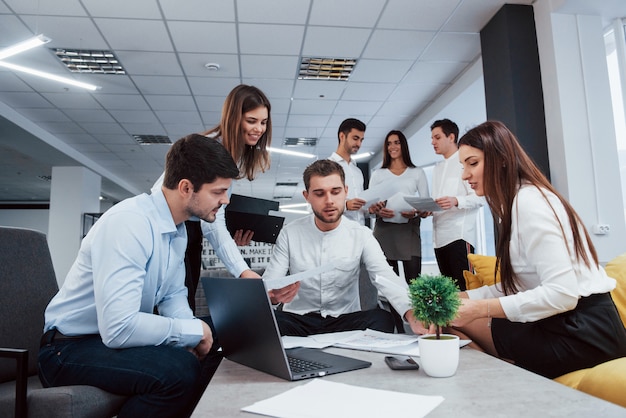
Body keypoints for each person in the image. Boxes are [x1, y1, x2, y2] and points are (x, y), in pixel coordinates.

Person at [39, 134, 240, 418]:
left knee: (223, 335)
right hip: (67, 349)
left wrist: (193, 335)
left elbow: (172, 296)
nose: (226, 200)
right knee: (178, 371)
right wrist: (191, 332)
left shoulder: (177, 229)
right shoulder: (129, 222)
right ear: (186, 187)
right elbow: (119, 328)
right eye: (218, 191)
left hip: (104, 340)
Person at [447, 120, 626, 379]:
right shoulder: (515, 204)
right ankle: (507, 378)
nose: (465, 175)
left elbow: (563, 294)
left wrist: (479, 309)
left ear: (502, 160)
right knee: (448, 317)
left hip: (584, 333)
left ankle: (502, 381)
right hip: (564, 322)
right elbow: (518, 283)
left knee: (451, 323)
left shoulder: (529, 203)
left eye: (473, 163)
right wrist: (463, 299)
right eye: (463, 166)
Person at [264, 159, 427, 337]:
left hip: (345, 321)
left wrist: (411, 312)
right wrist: (272, 297)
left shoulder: (361, 234)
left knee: (382, 319)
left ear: (346, 192)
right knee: (269, 323)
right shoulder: (290, 233)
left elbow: (384, 276)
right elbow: (270, 281)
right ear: (307, 196)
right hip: (299, 320)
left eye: (335, 192)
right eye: (319, 194)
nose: (329, 201)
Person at [153, 84, 272, 312]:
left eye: (263, 122)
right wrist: (243, 271)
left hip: (188, 234)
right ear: (234, 118)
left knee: (182, 307)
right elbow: (212, 226)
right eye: (251, 120)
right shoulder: (208, 152)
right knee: (172, 308)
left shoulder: (232, 156)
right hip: (170, 232)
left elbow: (213, 220)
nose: (259, 129)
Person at [430, 118, 484, 290]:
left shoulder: (464, 163)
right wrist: (428, 209)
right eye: (432, 138)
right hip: (439, 240)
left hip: (459, 237)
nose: (433, 142)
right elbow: (438, 200)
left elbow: (480, 198)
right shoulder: (437, 168)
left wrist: (456, 200)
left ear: (451, 137)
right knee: (449, 294)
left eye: (437, 137)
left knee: (464, 290)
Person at [368, 130, 430, 283]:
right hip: (384, 231)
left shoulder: (417, 172)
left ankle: (414, 308)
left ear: (403, 145)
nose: (392, 147)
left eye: (396, 142)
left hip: (409, 229)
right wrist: (379, 211)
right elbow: (369, 208)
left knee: (414, 282)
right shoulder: (378, 174)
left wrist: (415, 213)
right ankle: (394, 309)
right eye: (389, 143)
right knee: (391, 285)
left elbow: (426, 205)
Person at [328, 118, 367, 225]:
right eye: (355, 138)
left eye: (361, 140)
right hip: (338, 232)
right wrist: (345, 206)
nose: (359, 144)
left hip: (360, 231)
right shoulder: (326, 167)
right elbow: (314, 206)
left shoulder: (357, 171)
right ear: (342, 136)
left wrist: (369, 209)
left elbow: (359, 209)